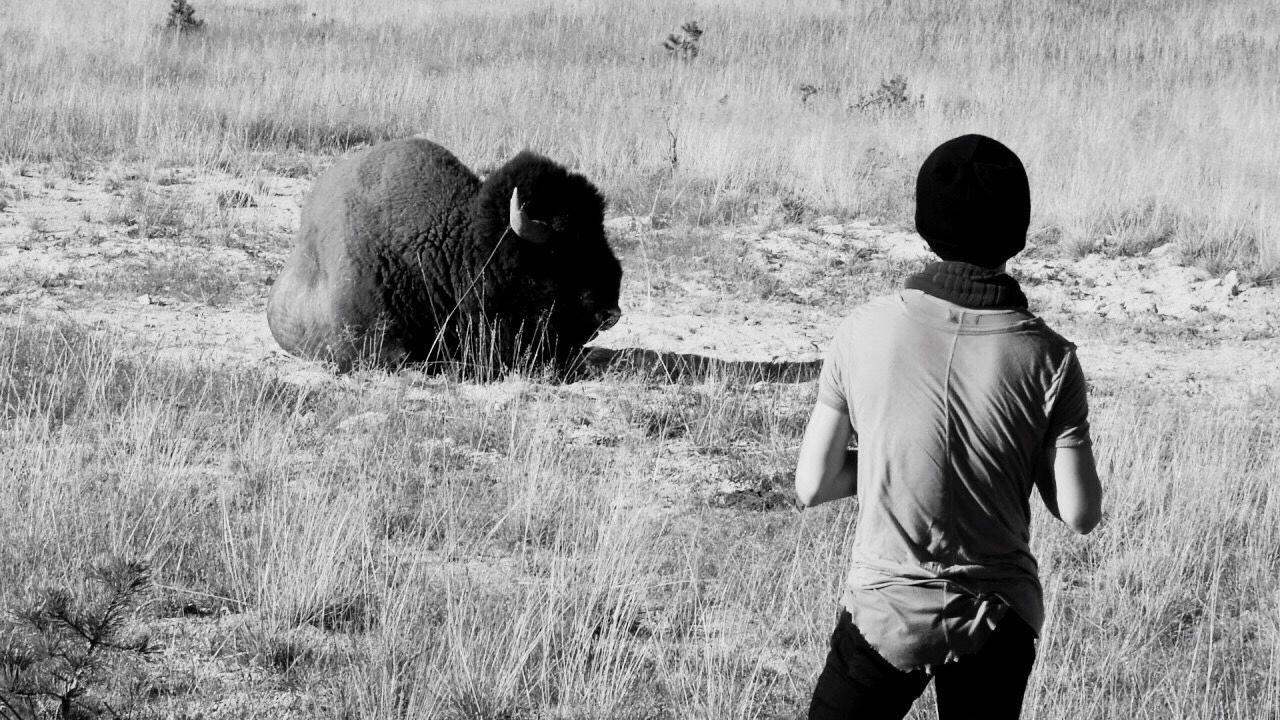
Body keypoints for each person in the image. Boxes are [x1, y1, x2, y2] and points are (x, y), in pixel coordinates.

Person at [794, 134, 1103, 719]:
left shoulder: (862, 331)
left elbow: (812, 485)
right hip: (1000, 617)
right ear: (1020, 230)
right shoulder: (1052, 358)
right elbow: (1080, 512)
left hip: (885, 610)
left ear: (924, 223)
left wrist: (898, 461)